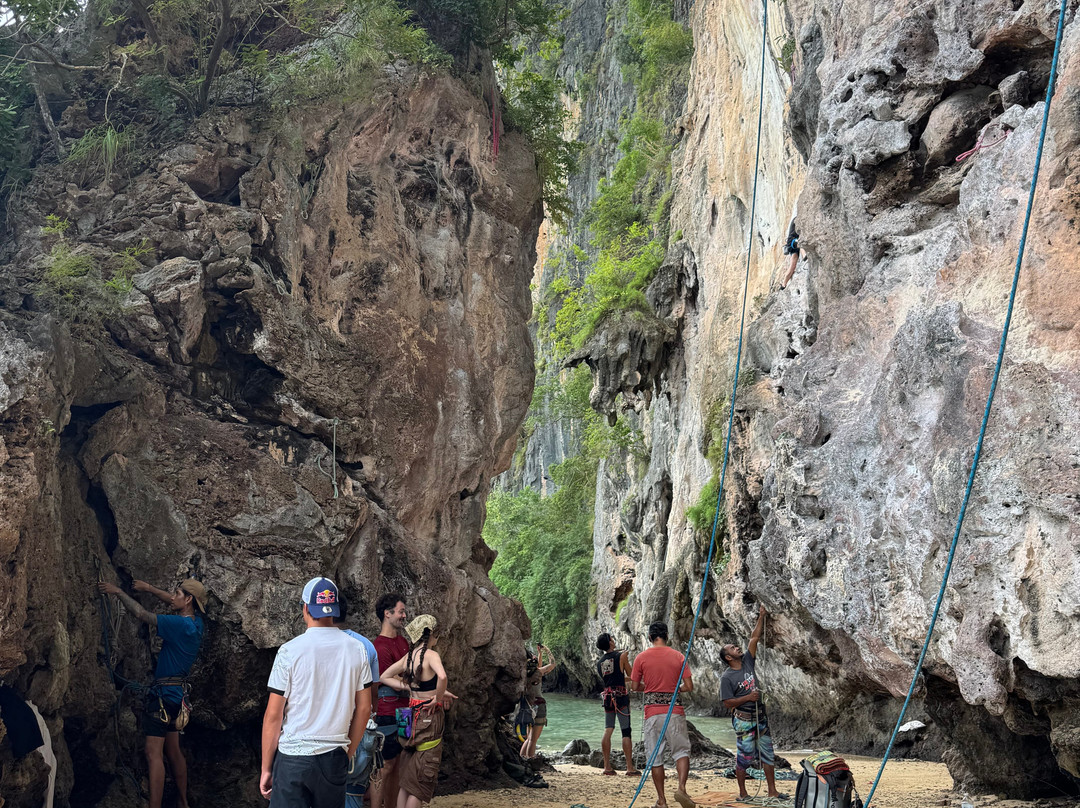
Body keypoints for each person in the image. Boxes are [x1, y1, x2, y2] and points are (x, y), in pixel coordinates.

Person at [260, 577, 372, 808]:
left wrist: (266, 768)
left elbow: (273, 715)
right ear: (335, 609)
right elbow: (364, 708)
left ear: (305, 608)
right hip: (333, 756)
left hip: (293, 758)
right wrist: (347, 752)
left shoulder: (289, 651)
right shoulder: (357, 649)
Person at [97, 577, 208, 808]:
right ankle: (183, 802)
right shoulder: (196, 625)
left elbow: (141, 614)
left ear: (188, 599)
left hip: (163, 697)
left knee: (152, 752)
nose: (172, 597)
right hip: (178, 697)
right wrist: (148, 588)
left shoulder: (178, 625)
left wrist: (117, 592)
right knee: (173, 750)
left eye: (177, 594)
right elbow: (171, 600)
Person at [379, 615, 449, 808]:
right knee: (419, 786)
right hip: (428, 717)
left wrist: (409, 687)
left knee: (407, 781)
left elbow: (384, 676)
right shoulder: (431, 655)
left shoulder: (408, 657)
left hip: (408, 716)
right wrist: (438, 698)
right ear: (431, 634)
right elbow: (442, 677)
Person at [629, 621, 694, 808]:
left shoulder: (641, 658)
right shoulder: (678, 656)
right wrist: (673, 690)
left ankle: (662, 801)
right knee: (681, 751)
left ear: (650, 637)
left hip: (652, 713)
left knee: (655, 757)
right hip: (674, 711)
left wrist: (651, 688)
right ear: (667, 636)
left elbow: (634, 686)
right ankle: (681, 788)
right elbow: (689, 686)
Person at [721, 606, 782, 801]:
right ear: (728, 657)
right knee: (745, 757)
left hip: (760, 717)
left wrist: (761, 616)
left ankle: (772, 791)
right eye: (732, 648)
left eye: (735, 646)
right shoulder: (727, 677)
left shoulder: (748, 661)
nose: (737, 648)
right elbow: (727, 703)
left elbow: (754, 639)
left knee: (768, 754)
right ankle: (743, 793)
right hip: (744, 720)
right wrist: (748, 698)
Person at [335, 597, 380, 808]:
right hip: (360, 726)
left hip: (326, 732)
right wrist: (372, 717)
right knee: (353, 790)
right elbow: (373, 691)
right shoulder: (365, 645)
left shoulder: (310, 645)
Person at [368, 593, 409, 808]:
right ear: (387, 614)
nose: (404, 615)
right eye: (401, 611)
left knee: (399, 763)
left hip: (406, 711)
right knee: (384, 764)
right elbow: (384, 680)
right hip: (387, 711)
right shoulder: (379, 647)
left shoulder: (402, 642)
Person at [595, 633, 640, 777]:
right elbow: (632, 675)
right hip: (620, 696)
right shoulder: (621, 656)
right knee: (625, 731)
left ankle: (607, 766)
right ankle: (629, 768)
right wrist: (626, 658)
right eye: (612, 639)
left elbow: (612, 679)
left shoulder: (600, 663)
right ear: (610, 642)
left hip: (607, 697)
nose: (614, 640)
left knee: (608, 729)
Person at [520, 644, 556, 759]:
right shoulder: (538, 673)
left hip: (527, 706)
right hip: (539, 706)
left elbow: (538, 666)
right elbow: (552, 664)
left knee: (529, 738)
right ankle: (531, 760)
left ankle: (523, 758)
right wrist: (547, 650)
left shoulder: (523, 675)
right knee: (533, 740)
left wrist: (540, 654)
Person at [778, 216, 800, 290]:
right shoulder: (796, 220)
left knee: (792, 266)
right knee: (792, 266)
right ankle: (804, 256)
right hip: (792, 243)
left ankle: (783, 284)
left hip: (793, 244)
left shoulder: (796, 220)